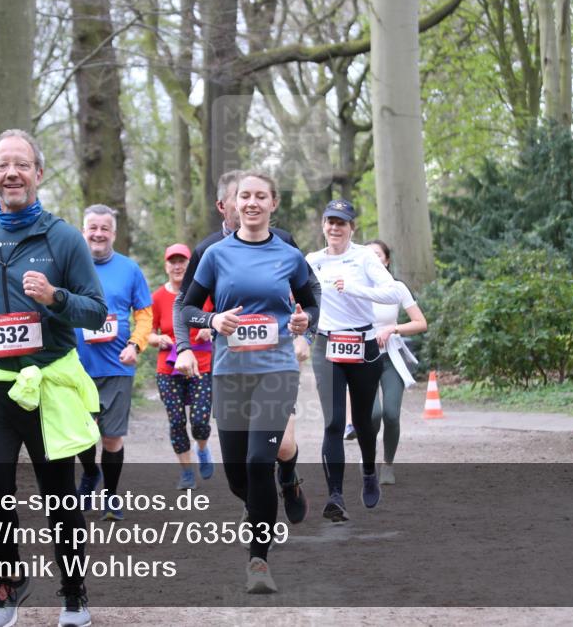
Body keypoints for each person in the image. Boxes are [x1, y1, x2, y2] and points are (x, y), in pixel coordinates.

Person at [0, 129, 104, 627]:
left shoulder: (64, 238)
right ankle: (10, 583)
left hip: (49, 381)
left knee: (60, 496)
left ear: (38, 173)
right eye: (2, 166)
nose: (12, 173)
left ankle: (74, 594)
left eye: (22, 165)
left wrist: (55, 297)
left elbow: (96, 313)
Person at [180, 171, 319, 593]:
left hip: (276, 370)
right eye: (246, 196)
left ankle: (258, 561)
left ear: (273, 203)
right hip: (229, 373)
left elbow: (311, 300)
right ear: (233, 203)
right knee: (238, 474)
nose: (253, 202)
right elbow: (186, 307)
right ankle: (270, 497)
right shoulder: (216, 255)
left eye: (261, 196)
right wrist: (213, 320)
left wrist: (303, 324)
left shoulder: (289, 254)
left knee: (261, 461)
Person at [306, 199, 408, 522]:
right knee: (334, 422)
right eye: (330, 222)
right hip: (327, 346)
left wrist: (356, 289)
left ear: (352, 228)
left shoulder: (364, 257)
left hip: (363, 344)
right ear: (323, 225)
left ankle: (368, 471)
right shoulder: (311, 261)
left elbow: (394, 293)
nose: (335, 228)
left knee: (364, 421)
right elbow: (297, 298)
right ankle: (335, 496)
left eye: (342, 223)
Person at [74, 204, 153, 522]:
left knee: (111, 437)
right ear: (83, 231)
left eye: (104, 228)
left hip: (118, 365)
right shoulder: (70, 268)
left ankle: (110, 497)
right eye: (92, 227)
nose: (98, 234)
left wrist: (136, 344)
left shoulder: (129, 269)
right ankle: (90, 474)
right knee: (81, 434)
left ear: (114, 234)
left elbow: (145, 315)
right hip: (76, 367)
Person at [149, 242, 215, 489]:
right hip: (168, 368)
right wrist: (159, 339)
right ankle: (187, 472)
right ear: (166, 266)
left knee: (199, 420)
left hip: (201, 365)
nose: (177, 266)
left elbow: (218, 320)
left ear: (190, 265)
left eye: (182, 262)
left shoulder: (204, 293)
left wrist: (209, 329)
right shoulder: (157, 297)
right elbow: (147, 333)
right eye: (172, 262)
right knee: (176, 421)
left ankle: (203, 448)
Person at [366, 239, 427, 485]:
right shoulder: (354, 288)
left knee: (390, 414)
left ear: (387, 260)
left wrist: (393, 329)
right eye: (368, 256)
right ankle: (368, 458)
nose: (373, 260)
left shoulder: (397, 288)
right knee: (373, 415)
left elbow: (420, 323)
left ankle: (388, 465)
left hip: (391, 356)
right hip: (362, 358)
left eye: (378, 255)